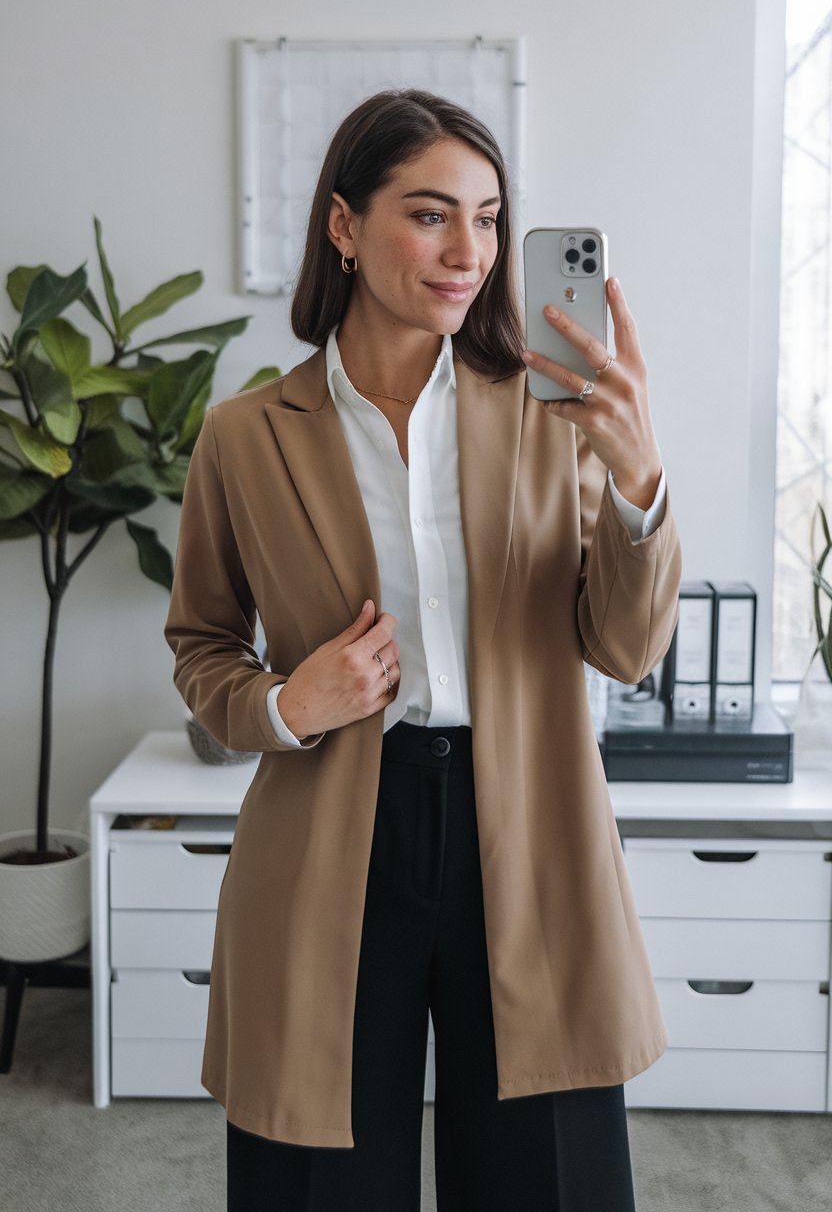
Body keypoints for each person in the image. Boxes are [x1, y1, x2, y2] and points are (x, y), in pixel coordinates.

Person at [165, 88, 681, 1211]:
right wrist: (289, 705)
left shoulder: (553, 414)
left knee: (547, 1173)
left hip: (528, 821)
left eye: (488, 220)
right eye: (432, 214)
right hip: (331, 832)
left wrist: (639, 481)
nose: (470, 254)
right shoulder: (244, 436)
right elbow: (202, 645)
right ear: (343, 225)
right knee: (321, 1171)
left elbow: (624, 646)